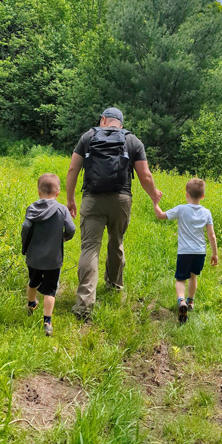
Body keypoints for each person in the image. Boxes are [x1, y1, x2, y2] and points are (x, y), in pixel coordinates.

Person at [66, 107, 162, 319]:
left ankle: (84, 306)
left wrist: (70, 199)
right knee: (116, 242)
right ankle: (114, 288)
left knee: (90, 248)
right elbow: (145, 175)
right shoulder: (132, 141)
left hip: (92, 199)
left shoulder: (88, 137)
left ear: (103, 120)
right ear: (120, 123)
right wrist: (154, 195)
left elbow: (73, 169)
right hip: (121, 200)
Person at [152, 178, 218, 323]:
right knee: (193, 277)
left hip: (185, 251)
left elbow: (160, 216)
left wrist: (155, 203)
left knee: (181, 278)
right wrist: (215, 253)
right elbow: (211, 235)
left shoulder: (181, 209)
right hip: (200, 252)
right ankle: (191, 302)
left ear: (187, 194)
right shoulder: (207, 212)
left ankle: (181, 301)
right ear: (203, 196)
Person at [21, 173, 75, 336]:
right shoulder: (62, 209)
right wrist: (64, 237)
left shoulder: (31, 208)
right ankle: (47, 322)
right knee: (50, 290)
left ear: (39, 191)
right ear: (58, 193)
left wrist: (25, 248)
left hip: (34, 257)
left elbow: (25, 229)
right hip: (53, 258)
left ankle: (31, 304)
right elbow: (71, 229)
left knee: (33, 282)